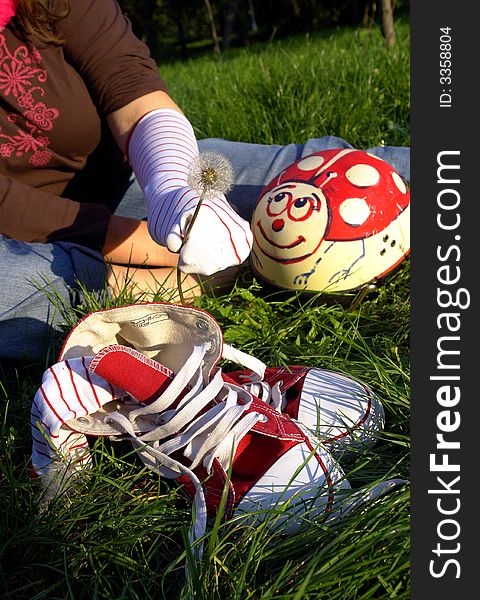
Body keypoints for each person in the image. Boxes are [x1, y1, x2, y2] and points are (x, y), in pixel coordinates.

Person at [0, 0, 410, 362]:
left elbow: (129, 85)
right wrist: (144, 245)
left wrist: (174, 187)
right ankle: (187, 286)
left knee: (322, 172)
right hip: (19, 242)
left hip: (127, 176)